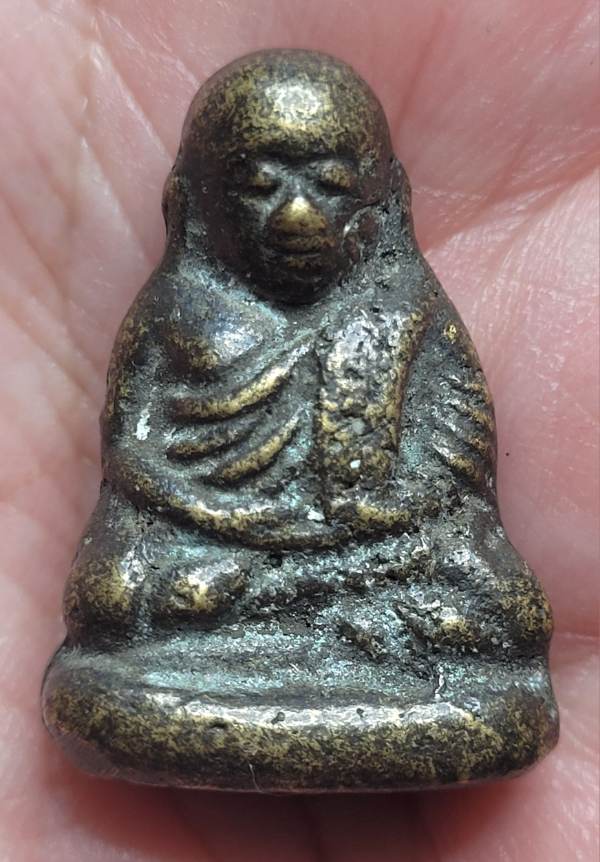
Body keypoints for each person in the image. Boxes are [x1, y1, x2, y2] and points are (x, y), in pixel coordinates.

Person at [0, 1, 597, 859]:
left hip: (376, 550)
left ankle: (313, 611)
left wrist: (371, 525)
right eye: (258, 186)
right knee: (115, 594)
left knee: (503, 609)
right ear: (195, 199)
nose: (296, 220)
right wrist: (229, 519)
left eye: (329, 186)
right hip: (209, 540)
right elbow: (132, 458)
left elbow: (456, 471)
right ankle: (322, 617)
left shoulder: (405, 315)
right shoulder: (177, 311)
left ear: (386, 199)